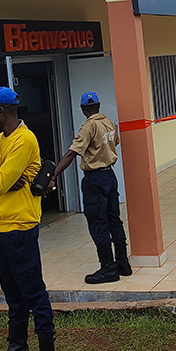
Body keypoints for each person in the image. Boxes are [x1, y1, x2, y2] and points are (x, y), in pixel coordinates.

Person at [0, 87, 55, 351]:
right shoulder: (2, 140)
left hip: (20, 228)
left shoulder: (24, 140)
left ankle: (47, 349)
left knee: (34, 293)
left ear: (1, 111)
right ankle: (17, 348)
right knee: (13, 296)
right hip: (0, 228)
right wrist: (1, 178)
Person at [49, 91, 131, 285]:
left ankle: (108, 269)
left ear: (84, 109)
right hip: (110, 176)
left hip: (94, 180)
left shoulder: (89, 126)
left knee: (98, 223)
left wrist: (53, 175)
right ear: (99, 106)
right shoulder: (108, 122)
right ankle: (122, 264)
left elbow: (71, 153)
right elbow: (115, 142)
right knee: (114, 220)